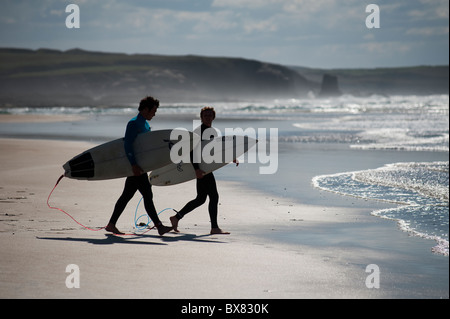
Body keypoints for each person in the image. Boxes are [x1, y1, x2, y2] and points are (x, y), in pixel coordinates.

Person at [105, 96, 172, 236]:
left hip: (141, 167)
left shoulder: (145, 124)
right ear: (146, 109)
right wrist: (133, 165)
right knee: (147, 195)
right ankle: (159, 226)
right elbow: (127, 145)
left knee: (127, 196)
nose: (155, 113)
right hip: (136, 167)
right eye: (153, 110)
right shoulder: (134, 123)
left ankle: (111, 224)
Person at [170, 107, 237, 235]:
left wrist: (230, 157)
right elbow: (191, 152)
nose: (207, 117)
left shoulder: (211, 132)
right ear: (201, 117)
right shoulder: (199, 132)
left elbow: (216, 150)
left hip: (205, 168)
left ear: (213, 117)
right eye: (205, 115)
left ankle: (176, 217)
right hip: (202, 169)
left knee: (200, 199)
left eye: (210, 115)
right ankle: (214, 227)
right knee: (214, 196)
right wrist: (197, 169)